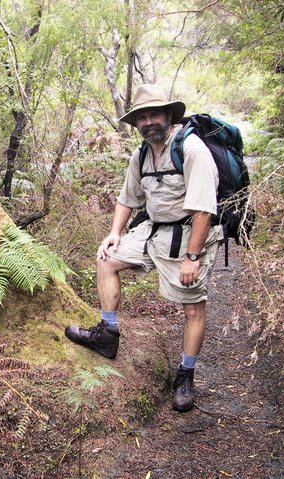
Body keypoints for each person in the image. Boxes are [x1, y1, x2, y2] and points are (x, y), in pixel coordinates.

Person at [64, 84, 223, 412]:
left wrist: (193, 257)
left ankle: (186, 375)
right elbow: (127, 198)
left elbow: (204, 210)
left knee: (192, 307)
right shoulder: (141, 154)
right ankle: (108, 333)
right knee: (106, 259)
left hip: (189, 235)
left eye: (154, 114)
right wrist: (114, 232)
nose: (148, 121)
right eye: (142, 117)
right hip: (152, 229)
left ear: (167, 115)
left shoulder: (191, 149)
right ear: (136, 123)